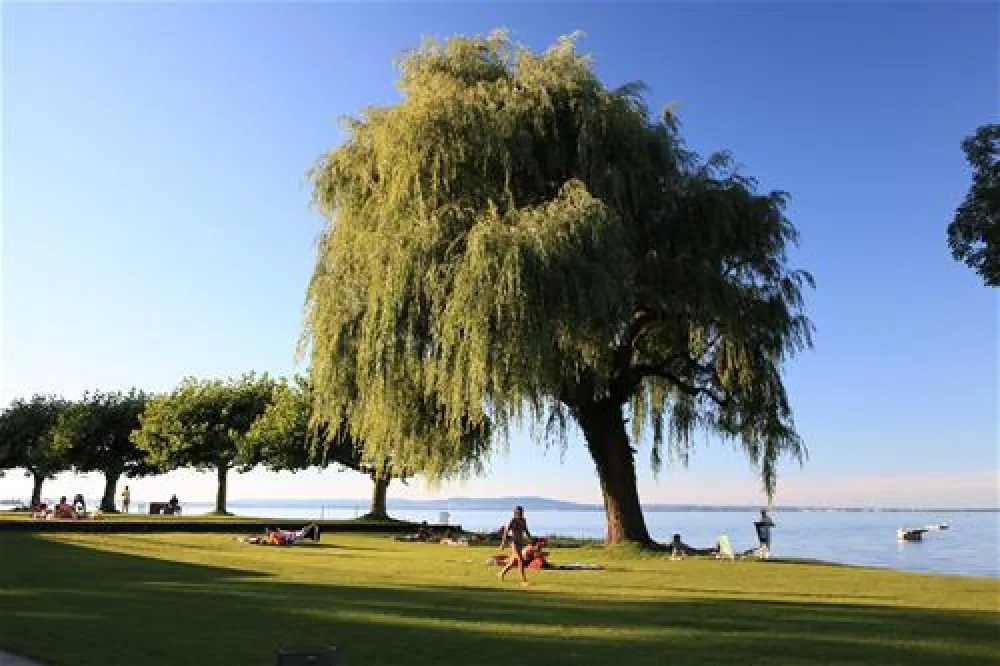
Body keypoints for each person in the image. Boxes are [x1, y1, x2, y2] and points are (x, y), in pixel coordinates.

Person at [498, 505, 532, 584]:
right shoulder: (512, 520)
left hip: (521, 543)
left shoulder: (523, 520)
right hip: (514, 543)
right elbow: (506, 532)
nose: (520, 513)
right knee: (521, 560)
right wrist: (503, 544)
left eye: (521, 512)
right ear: (515, 512)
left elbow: (526, 530)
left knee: (513, 562)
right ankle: (523, 579)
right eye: (518, 512)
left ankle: (501, 573)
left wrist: (531, 538)